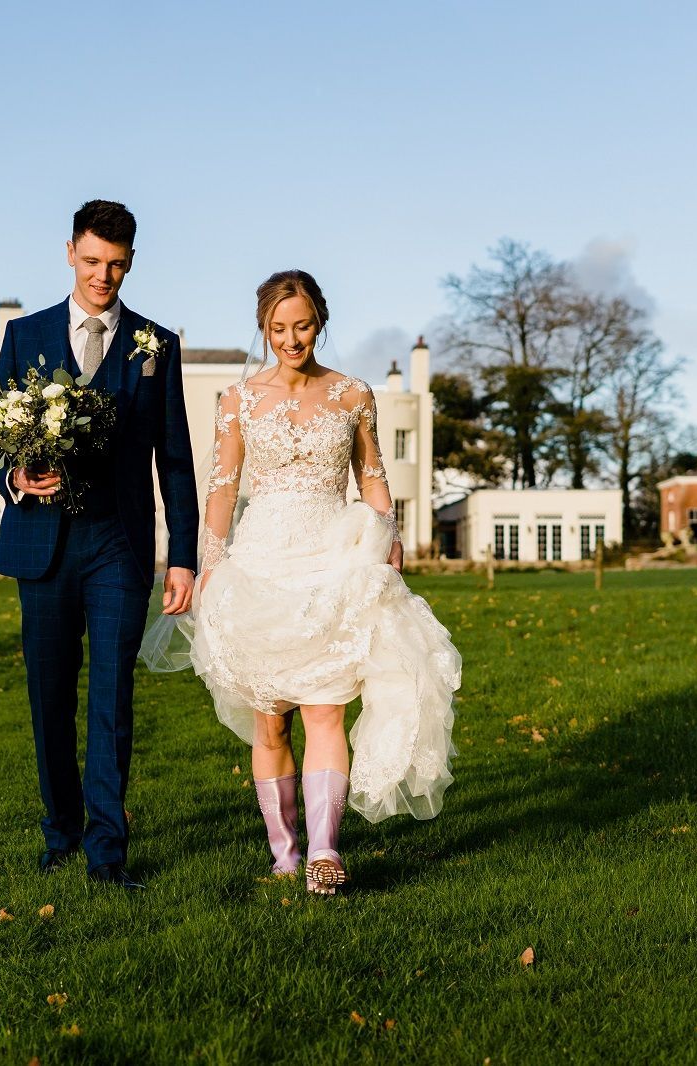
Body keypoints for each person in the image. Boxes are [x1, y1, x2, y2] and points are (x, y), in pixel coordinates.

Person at [190, 270, 461, 895]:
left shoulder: (352, 394)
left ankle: (325, 852)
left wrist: (385, 532)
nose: (292, 338)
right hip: (259, 565)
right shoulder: (238, 401)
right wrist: (211, 562)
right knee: (269, 721)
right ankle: (283, 853)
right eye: (279, 328)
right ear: (263, 328)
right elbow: (222, 487)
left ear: (321, 323)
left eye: (303, 325)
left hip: (331, 559)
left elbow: (371, 474)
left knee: (324, 707)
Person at [0, 200, 199, 891]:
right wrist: (15, 474)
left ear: (131, 261)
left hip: (119, 549)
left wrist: (184, 554)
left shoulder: (155, 346)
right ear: (70, 252)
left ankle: (108, 852)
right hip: (42, 546)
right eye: (93, 261)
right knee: (49, 697)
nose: (104, 276)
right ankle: (60, 832)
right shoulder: (24, 335)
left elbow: (177, 459)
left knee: (111, 700)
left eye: (117, 264)